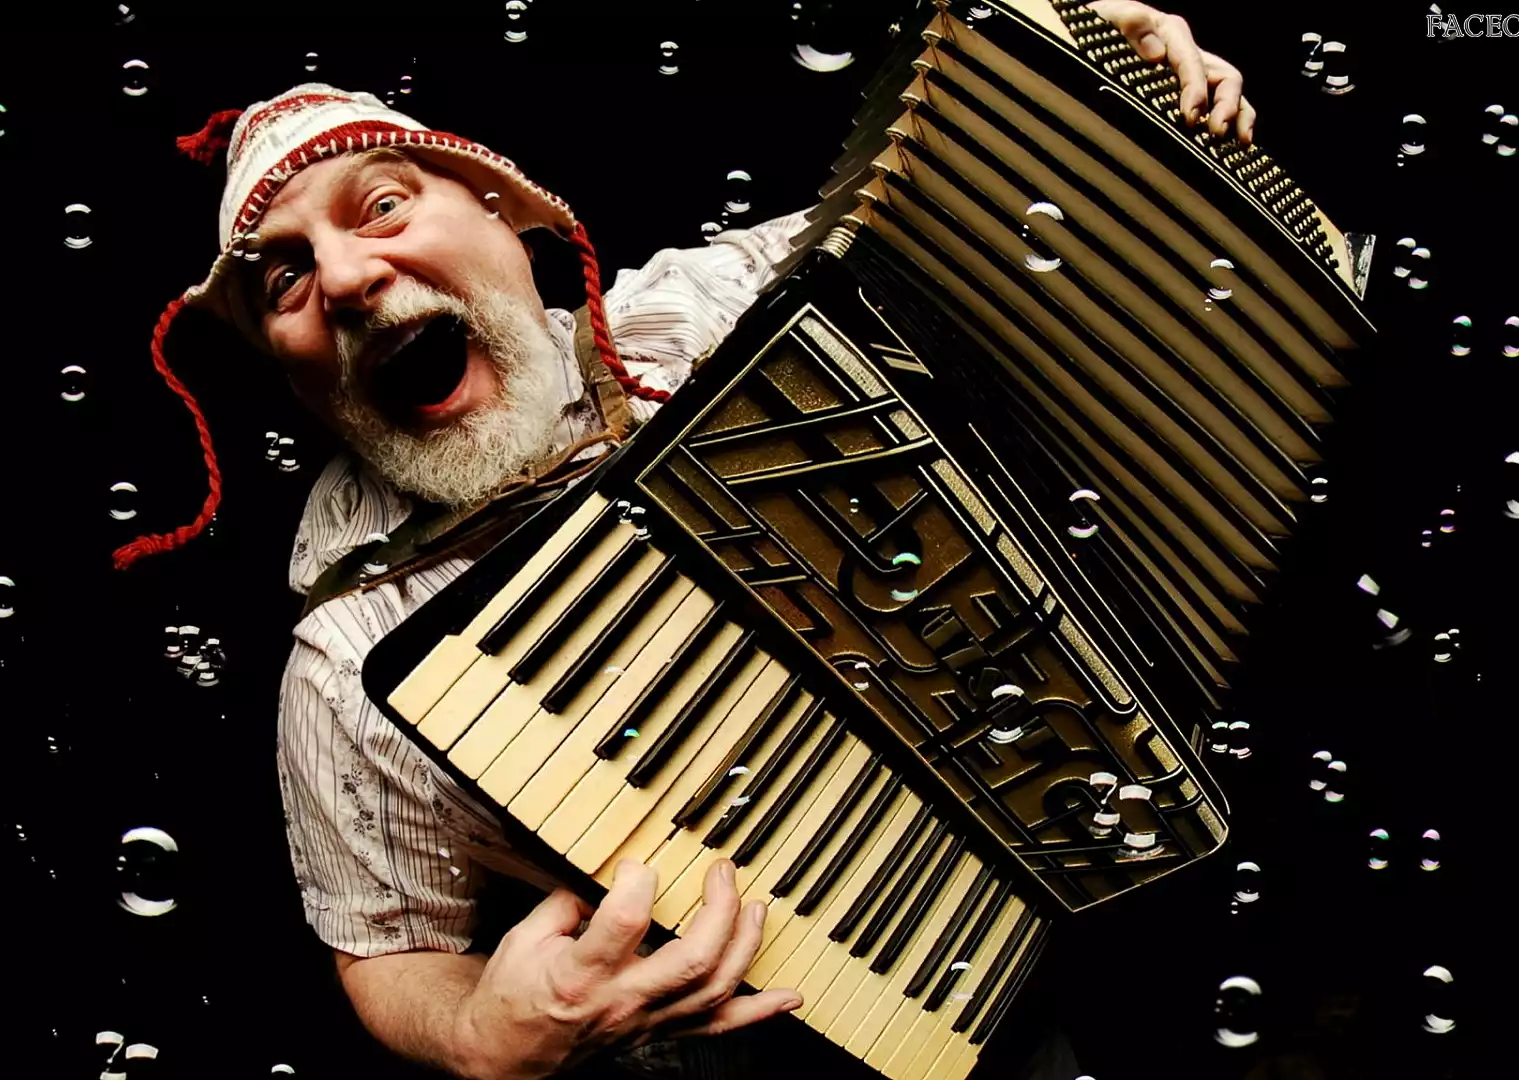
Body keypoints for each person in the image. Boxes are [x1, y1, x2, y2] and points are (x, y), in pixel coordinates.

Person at [113, 4, 1257, 1076]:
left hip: (1101, 878)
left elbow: (983, 209)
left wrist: (1083, 69)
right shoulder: (347, 657)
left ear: (505, 214)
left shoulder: (717, 306)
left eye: (382, 206)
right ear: (289, 371)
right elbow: (389, 949)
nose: (349, 277)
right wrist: (474, 1029)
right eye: (285, 280)